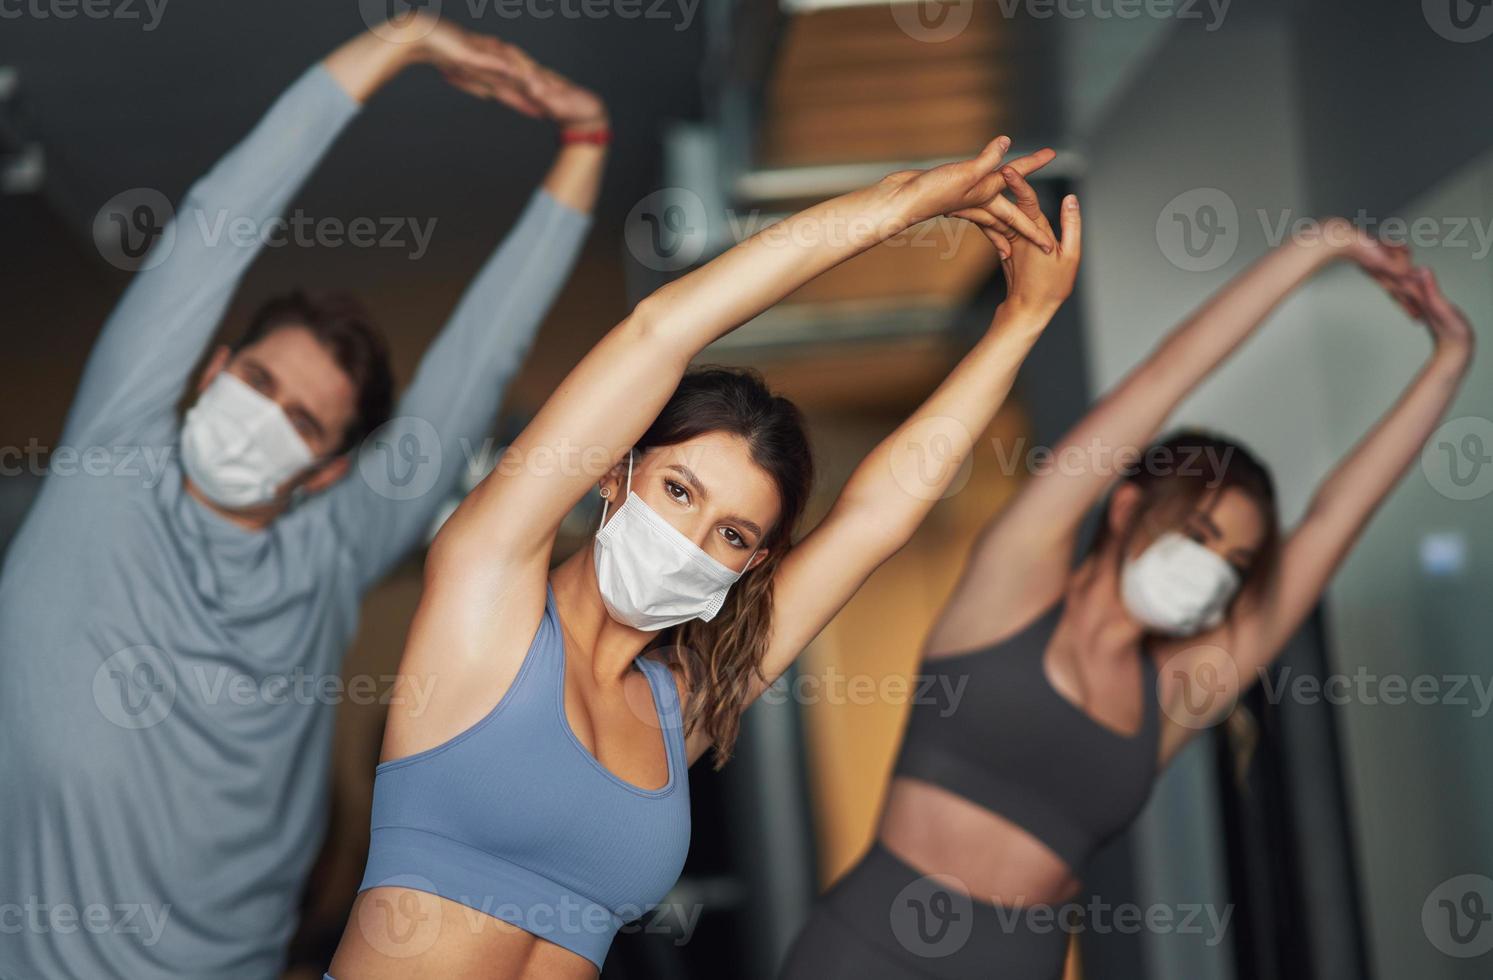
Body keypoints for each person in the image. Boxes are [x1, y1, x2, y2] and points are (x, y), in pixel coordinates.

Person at [324, 143, 1081, 978]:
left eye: (730, 534)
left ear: (750, 566)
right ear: (615, 471)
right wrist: (895, 209)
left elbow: (873, 520)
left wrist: (1023, 324)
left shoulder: (679, 708)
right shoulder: (484, 588)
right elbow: (661, 332)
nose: (690, 541)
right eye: (679, 491)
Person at [0, 16, 606, 980]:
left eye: (302, 421)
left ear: (324, 470)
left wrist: (586, 145)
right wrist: (399, 40)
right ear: (212, 369)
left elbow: (473, 367)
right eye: (259, 385)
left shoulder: (330, 552)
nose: (261, 417)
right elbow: (218, 217)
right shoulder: (106, 471)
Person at [778, 223, 1477, 979]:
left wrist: (1450, 359)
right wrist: (1320, 245)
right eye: (1200, 532)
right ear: (1126, 507)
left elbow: (1333, 522)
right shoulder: (1014, 583)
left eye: (1234, 561)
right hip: (861, 953)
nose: (1211, 569)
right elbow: (1162, 379)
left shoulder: (1178, 689)